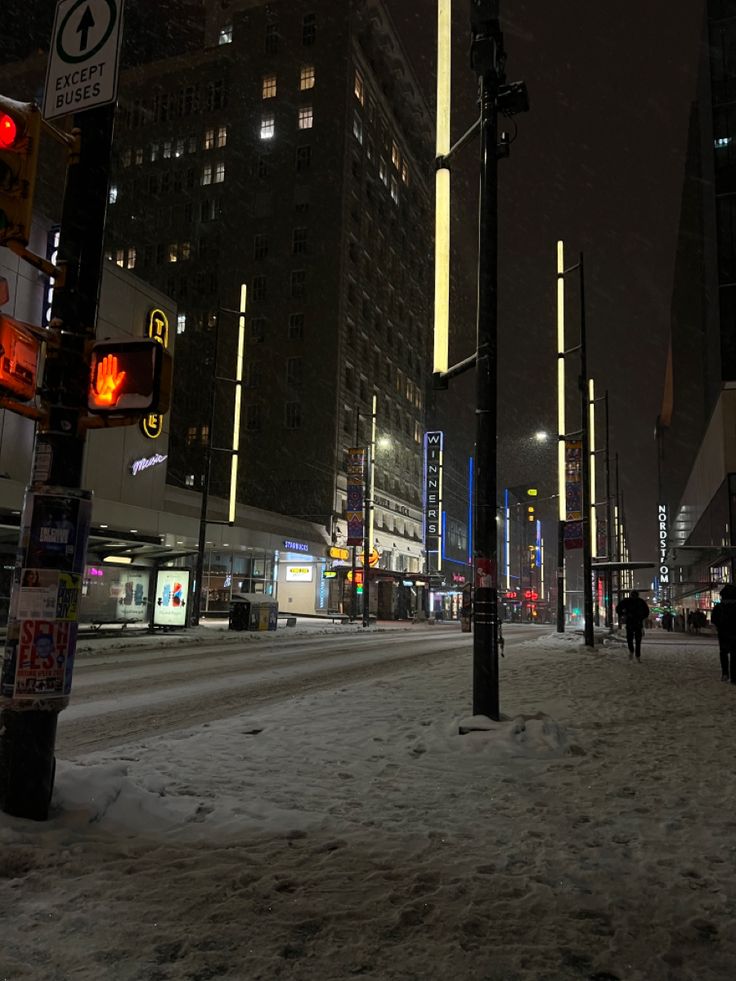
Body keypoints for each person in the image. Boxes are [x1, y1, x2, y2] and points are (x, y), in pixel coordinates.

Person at [709, 584, 736, 683]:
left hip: (723, 633)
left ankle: (725, 674)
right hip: (735, 633)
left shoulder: (719, 607)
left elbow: (714, 619)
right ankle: (734, 677)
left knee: (723, 653)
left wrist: (720, 626)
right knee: (734, 654)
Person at [616, 589, 650, 661]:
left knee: (630, 639)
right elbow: (647, 612)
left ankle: (632, 651)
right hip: (638, 622)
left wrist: (624, 614)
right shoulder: (641, 601)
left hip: (630, 622)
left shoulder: (626, 601)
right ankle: (637, 655)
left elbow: (618, 609)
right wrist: (641, 617)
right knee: (638, 640)